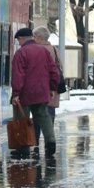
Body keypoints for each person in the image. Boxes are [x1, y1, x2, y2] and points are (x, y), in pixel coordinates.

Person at [11, 27, 59, 159]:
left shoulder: (21, 53)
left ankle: (23, 148)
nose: (19, 43)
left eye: (18, 40)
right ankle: (50, 142)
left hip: (25, 93)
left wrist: (16, 94)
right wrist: (52, 88)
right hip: (42, 92)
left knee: (22, 119)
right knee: (44, 116)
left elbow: (18, 75)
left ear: (22, 39)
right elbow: (54, 71)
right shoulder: (44, 51)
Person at [32, 25, 62, 156]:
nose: (33, 39)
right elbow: (60, 68)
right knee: (50, 116)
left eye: (34, 36)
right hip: (53, 90)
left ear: (39, 37)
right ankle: (49, 142)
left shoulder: (37, 50)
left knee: (37, 116)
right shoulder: (55, 50)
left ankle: (35, 144)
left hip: (41, 89)